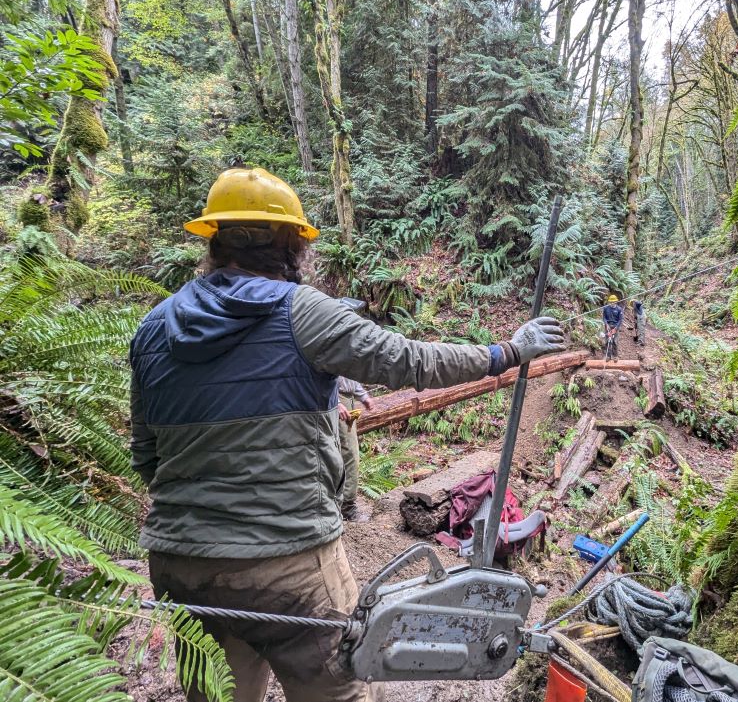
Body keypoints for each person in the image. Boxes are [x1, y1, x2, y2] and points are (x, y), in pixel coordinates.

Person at [129, 167, 565, 702]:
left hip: (181, 564)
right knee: (342, 692)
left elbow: (147, 456)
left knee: (217, 695)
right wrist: (507, 353)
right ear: (291, 244)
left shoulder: (153, 327)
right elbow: (409, 360)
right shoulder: (300, 310)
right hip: (286, 563)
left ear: (215, 241)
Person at [337, 377, 374, 522]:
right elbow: (322, 376)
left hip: (347, 399)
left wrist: (363, 396)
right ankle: (347, 508)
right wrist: (336, 401)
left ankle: (340, 505)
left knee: (344, 453)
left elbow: (348, 373)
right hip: (336, 400)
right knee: (350, 454)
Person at [602, 294, 623, 360]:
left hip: (615, 326)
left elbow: (620, 320)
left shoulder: (619, 309)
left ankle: (615, 356)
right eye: (611, 302)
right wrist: (606, 324)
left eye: (613, 302)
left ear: (616, 302)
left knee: (615, 341)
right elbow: (604, 317)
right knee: (607, 341)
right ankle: (608, 356)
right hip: (608, 326)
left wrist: (616, 328)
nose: (612, 303)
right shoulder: (606, 308)